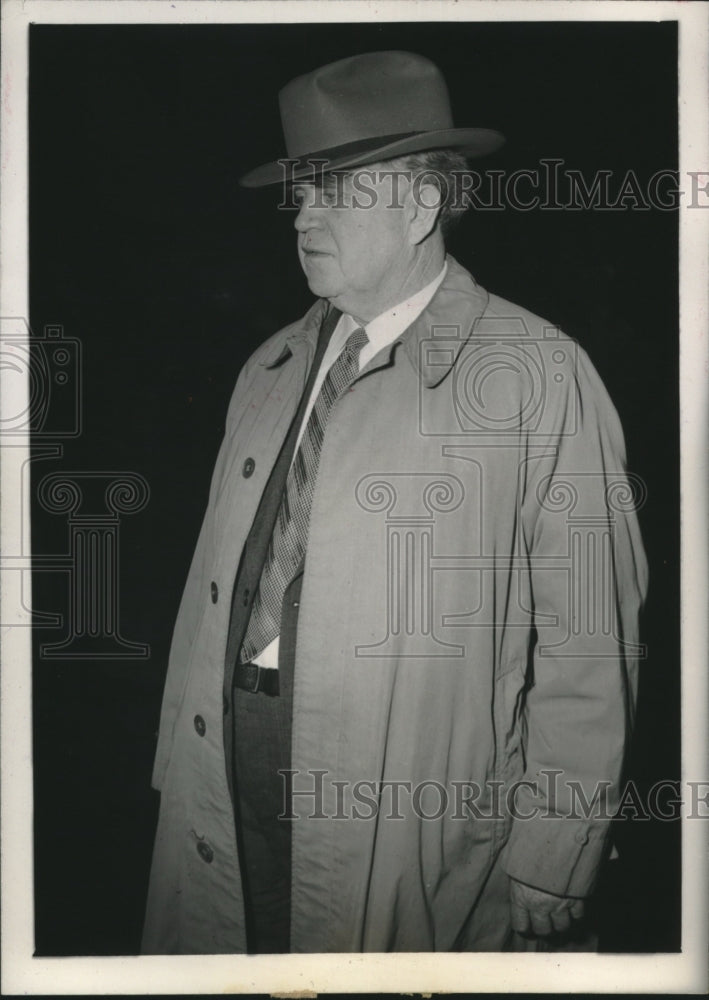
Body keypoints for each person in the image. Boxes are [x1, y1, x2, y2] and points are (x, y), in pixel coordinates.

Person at [141, 51, 648, 954]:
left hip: (407, 817)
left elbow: (589, 637)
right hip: (228, 777)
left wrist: (552, 850)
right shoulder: (269, 369)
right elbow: (208, 602)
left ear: (420, 206)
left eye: (334, 190)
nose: (304, 215)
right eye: (300, 192)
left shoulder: (538, 374)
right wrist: (179, 770)